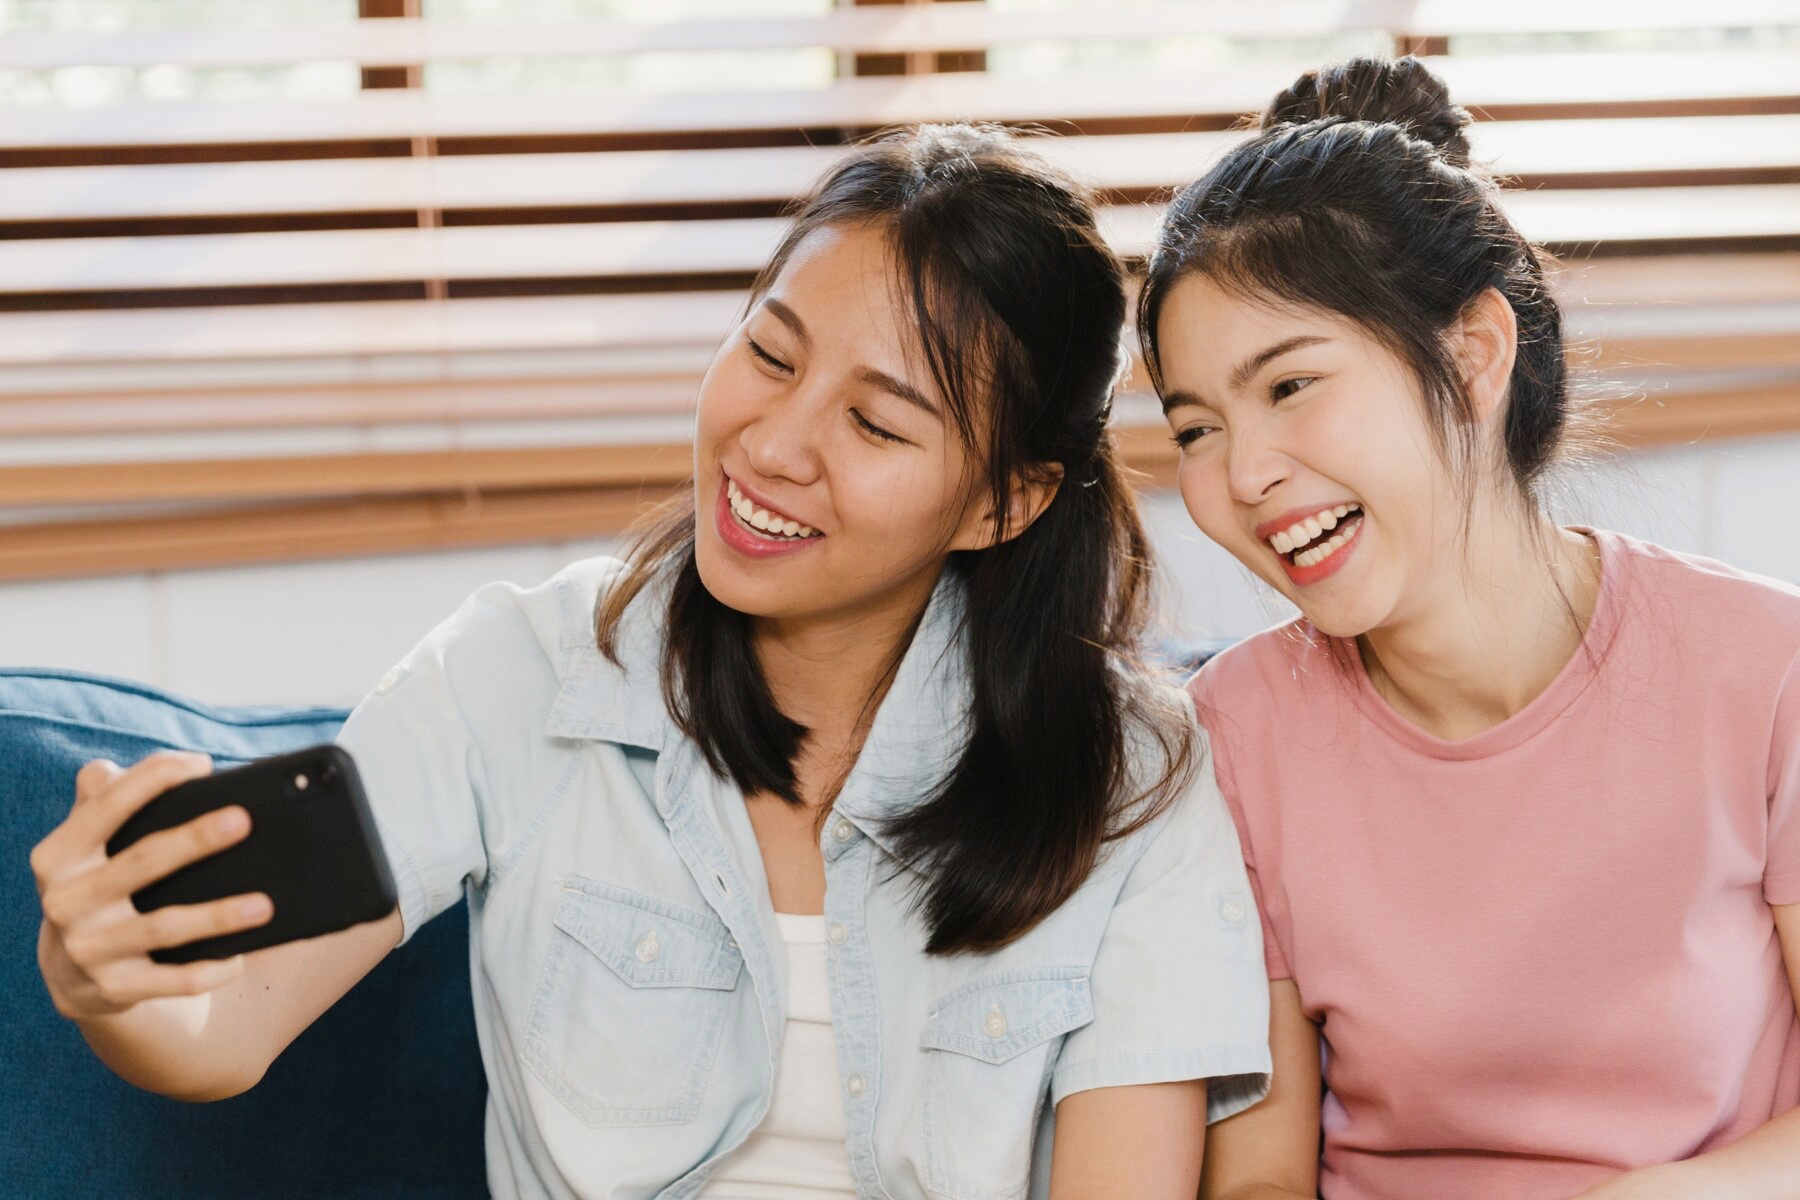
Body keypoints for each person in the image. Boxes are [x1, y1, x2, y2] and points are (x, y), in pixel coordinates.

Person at [32, 124, 1271, 1199]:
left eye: (874, 421)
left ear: (1004, 501)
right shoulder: (518, 675)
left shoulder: (1131, 783)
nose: (773, 445)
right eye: (770, 355)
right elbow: (222, 1032)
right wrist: (110, 977)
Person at [1138, 56, 1800, 1200]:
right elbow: (1258, 1175)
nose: (1244, 475)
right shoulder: (1233, 734)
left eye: (1290, 386)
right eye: (1197, 428)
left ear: (1474, 353)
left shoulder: (1764, 674)